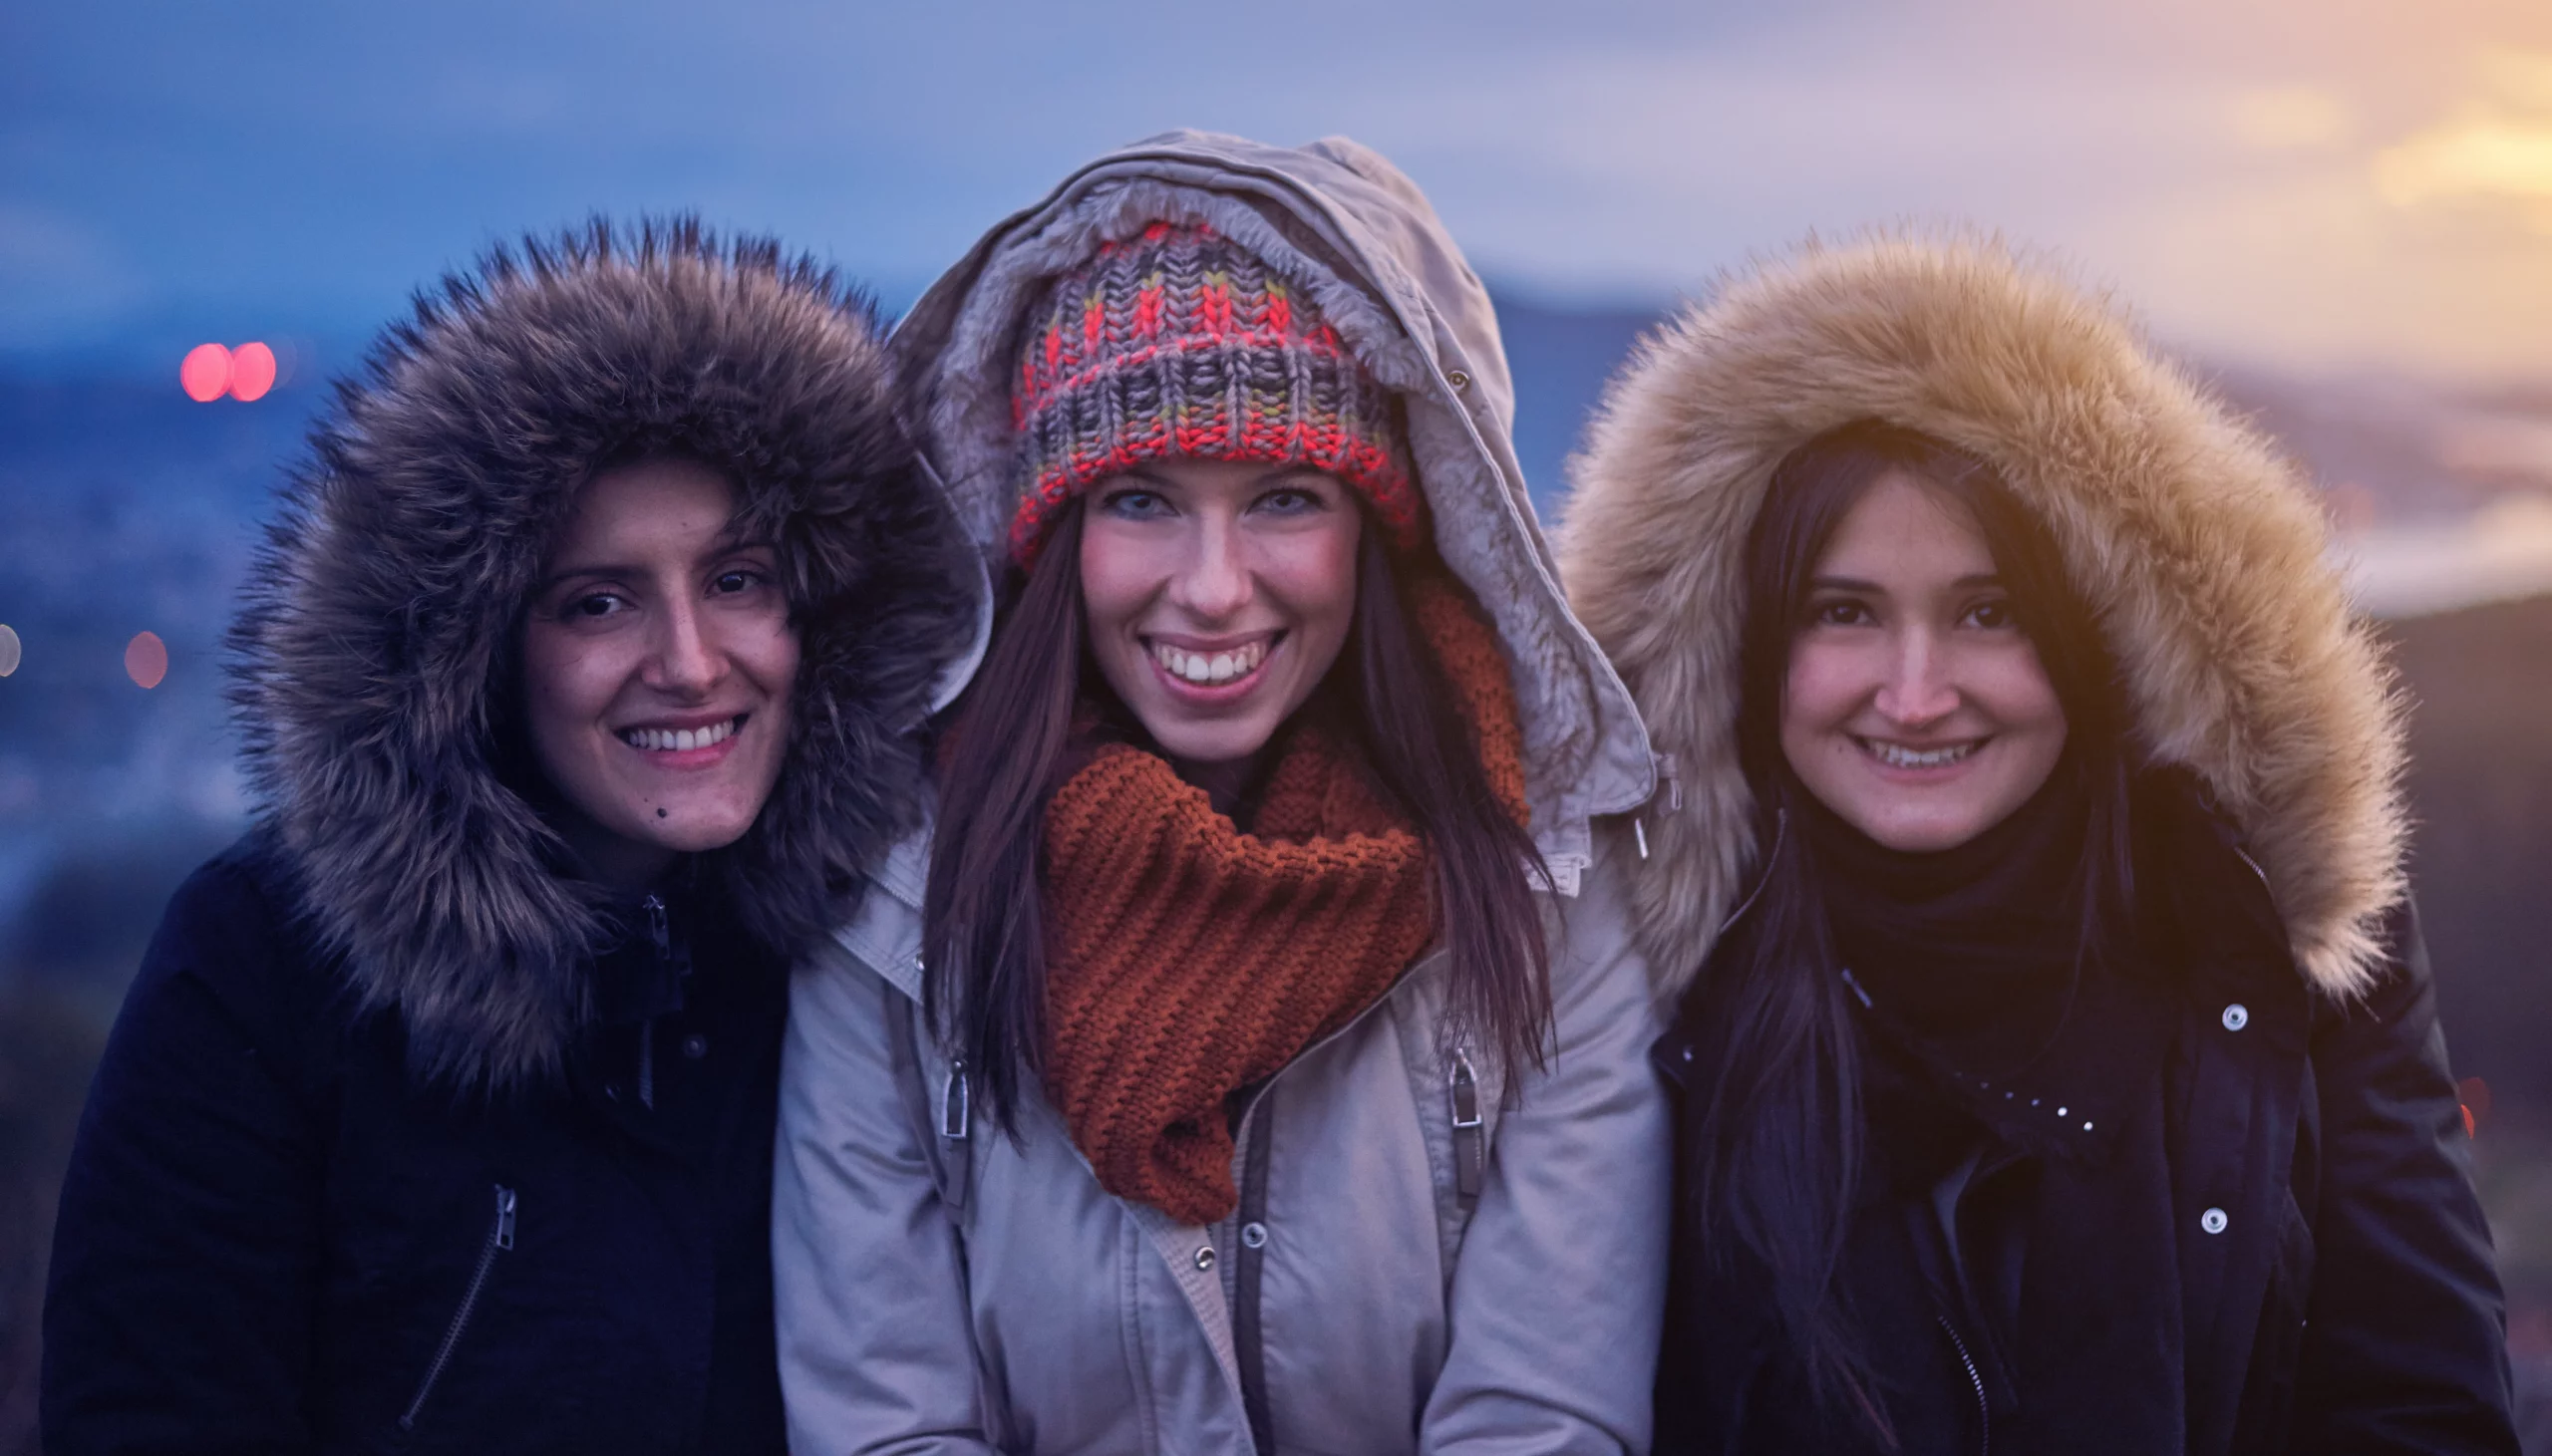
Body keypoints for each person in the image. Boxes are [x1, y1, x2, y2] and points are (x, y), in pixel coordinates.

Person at [774, 132, 1670, 1453]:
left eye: (1283, 498)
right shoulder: (904, 912)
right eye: (1140, 499)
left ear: (1378, 526)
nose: (1209, 584)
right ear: (1052, 537)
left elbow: (1542, 1415)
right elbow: (884, 1421)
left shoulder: (1543, 891)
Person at [1558, 238, 2520, 1454]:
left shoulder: (2269, 949)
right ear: (1747, 646)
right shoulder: (1640, 979)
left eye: (1988, 612)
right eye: (1842, 611)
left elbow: (2418, 1401)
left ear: (2095, 639)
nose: (1913, 694)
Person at [41, 223, 978, 1454]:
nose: (692, 663)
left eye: (740, 579)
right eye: (598, 600)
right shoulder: (266, 966)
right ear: (473, 649)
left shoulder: (875, 947)